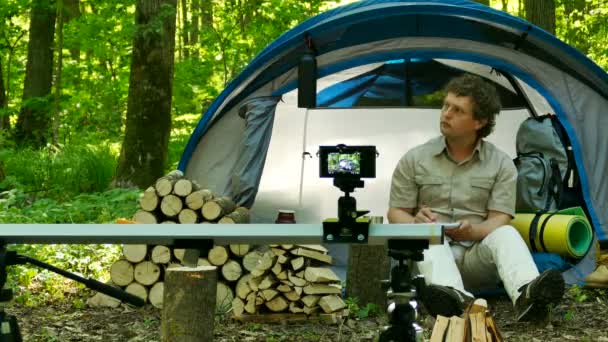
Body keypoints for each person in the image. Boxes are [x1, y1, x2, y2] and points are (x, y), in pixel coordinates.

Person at [387, 74, 565, 322]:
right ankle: (452, 299)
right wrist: (416, 222)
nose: (446, 114)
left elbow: (500, 219)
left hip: (476, 257)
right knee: (427, 236)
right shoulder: (415, 158)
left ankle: (529, 296)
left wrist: (473, 232)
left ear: (479, 121)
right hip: (432, 257)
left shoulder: (501, 163)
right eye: (446, 105)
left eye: (457, 110)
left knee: (507, 233)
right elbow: (395, 212)